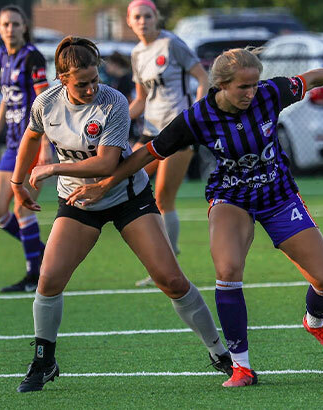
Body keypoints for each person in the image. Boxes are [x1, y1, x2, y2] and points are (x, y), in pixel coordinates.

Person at [66, 48, 323, 387]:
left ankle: (316, 323)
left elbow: (308, 79)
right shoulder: (197, 117)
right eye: (243, 88)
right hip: (231, 197)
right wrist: (105, 184)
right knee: (228, 270)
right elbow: (150, 152)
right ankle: (242, 367)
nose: (251, 93)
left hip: (278, 195)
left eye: (254, 85)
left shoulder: (270, 93)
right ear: (221, 85)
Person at [10, 36, 232, 393]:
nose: (91, 88)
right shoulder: (46, 103)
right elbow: (32, 138)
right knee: (49, 279)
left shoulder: (112, 101)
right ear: (62, 79)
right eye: (81, 83)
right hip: (79, 202)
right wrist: (18, 180)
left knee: (171, 280)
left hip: (127, 195)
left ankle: (220, 352)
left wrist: (51, 171)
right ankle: (44, 359)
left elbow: (107, 162)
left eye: (94, 80)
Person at [126, 0, 210, 287]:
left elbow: (202, 77)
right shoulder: (136, 53)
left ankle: (167, 263)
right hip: (150, 131)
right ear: (129, 21)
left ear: (155, 17)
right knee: (123, 176)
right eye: (136, 17)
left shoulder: (172, 44)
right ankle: (155, 250)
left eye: (147, 16)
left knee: (163, 197)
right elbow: (140, 99)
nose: (142, 21)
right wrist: (114, 118)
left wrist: (196, 113)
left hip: (177, 132)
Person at [0, 5, 52, 293]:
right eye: (5, 24)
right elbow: (6, 99)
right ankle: (45, 251)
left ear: (25, 27)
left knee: (22, 210)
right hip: (11, 143)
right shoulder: (4, 56)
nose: (10, 29)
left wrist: (46, 144)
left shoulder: (32, 57)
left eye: (15, 24)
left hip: (32, 141)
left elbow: (44, 101)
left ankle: (33, 275)